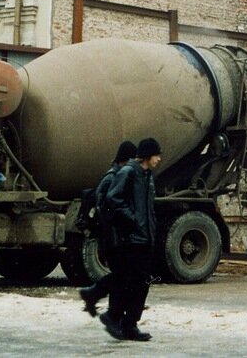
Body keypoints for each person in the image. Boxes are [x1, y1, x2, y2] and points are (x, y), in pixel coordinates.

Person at [100, 136, 162, 342]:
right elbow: (113, 199)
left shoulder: (147, 176)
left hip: (145, 238)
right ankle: (113, 316)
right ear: (146, 156)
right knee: (127, 281)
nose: (159, 159)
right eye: (156, 155)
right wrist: (132, 220)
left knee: (141, 284)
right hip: (132, 239)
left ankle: (130, 324)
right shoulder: (128, 172)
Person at [79, 140, 137, 317]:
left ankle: (103, 303)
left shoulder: (116, 175)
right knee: (122, 275)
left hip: (113, 236)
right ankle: (97, 298)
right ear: (126, 159)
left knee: (121, 275)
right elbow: (105, 209)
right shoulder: (113, 178)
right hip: (112, 237)